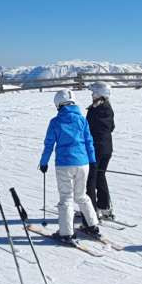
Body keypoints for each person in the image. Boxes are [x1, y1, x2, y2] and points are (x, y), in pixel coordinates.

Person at [38, 90, 99, 243]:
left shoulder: (55, 122)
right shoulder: (82, 120)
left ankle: (66, 233)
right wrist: (92, 161)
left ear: (58, 104)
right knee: (81, 196)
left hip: (65, 164)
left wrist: (44, 162)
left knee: (66, 198)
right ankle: (93, 226)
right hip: (83, 163)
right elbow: (89, 142)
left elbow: (49, 144)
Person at [85, 84, 115, 220]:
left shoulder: (94, 110)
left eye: (93, 93)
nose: (92, 95)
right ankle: (104, 207)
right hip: (107, 149)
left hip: (95, 149)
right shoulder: (109, 108)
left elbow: (87, 129)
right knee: (100, 176)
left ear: (98, 94)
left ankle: (91, 210)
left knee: (91, 178)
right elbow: (112, 127)